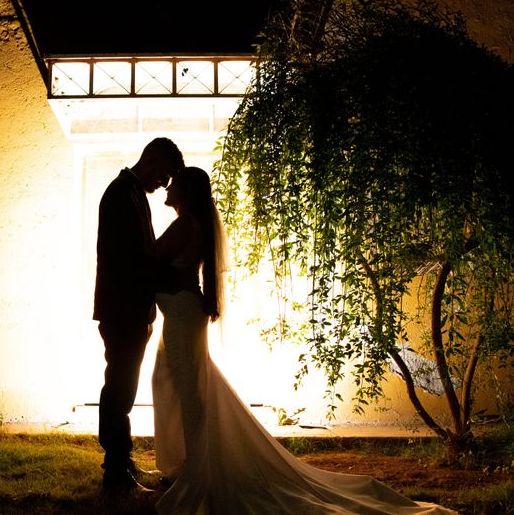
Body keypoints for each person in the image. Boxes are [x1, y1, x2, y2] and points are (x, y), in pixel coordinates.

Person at [150, 166, 457, 514]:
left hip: (181, 315)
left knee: (186, 391)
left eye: (174, 183)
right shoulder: (194, 224)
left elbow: (151, 261)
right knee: (185, 387)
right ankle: (190, 463)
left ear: (187, 190)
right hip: (182, 314)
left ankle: (198, 470)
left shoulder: (185, 224)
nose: (167, 187)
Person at [94, 137, 185, 495]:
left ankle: (120, 462)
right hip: (122, 307)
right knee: (119, 386)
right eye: (164, 174)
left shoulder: (131, 194)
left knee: (123, 385)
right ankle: (115, 469)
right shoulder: (120, 194)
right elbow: (129, 258)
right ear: (151, 159)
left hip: (131, 307)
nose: (164, 184)